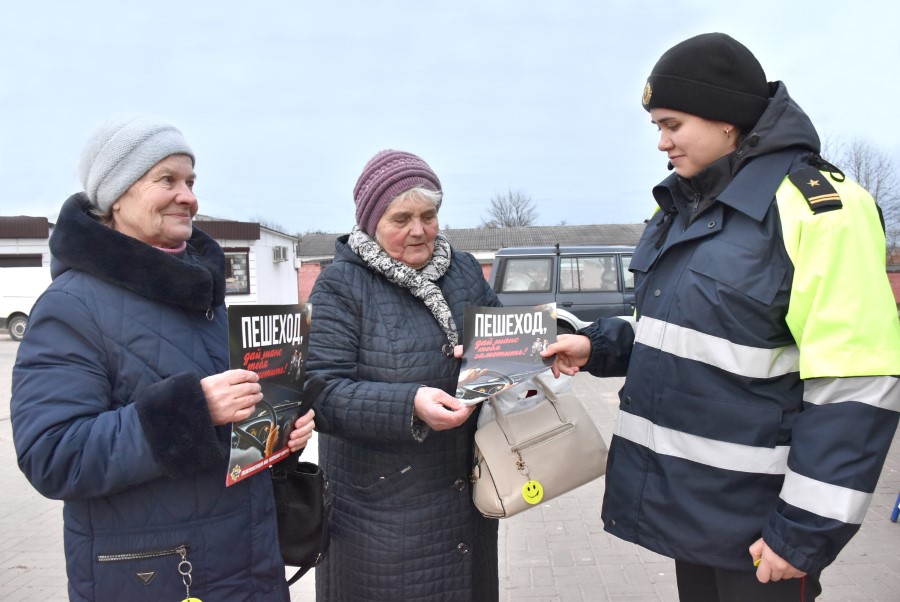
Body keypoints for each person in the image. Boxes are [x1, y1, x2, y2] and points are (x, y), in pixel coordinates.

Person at [542, 33, 900, 601]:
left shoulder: (822, 210)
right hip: (691, 511)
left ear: (727, 119)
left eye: (672, 124)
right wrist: (598, 346)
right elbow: (676, 326)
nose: (661, 142)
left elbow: (856, 386)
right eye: (656, 126)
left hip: (763, 527)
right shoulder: (683, 206)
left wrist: (803, 533)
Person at [10, 115, 316, 601]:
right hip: (158, 576)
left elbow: (227, 426)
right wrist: (192, 411)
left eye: (191, 182)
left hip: (248, 565)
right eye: (167, 180)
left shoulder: (203, 296)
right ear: (115, 197)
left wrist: (276, 431)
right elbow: (52, 455)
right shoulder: (71, 306)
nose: (188, 197)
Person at [306, 149, 501, 601]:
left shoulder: (464, 271)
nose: (419, 230)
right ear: (371, 221)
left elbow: (502, 339)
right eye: (402, 218)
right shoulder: (341, 286)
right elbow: (321, 391)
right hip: (380, 520)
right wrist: (408, 405)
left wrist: (536, 353)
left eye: (428, 216)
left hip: (465, 507)